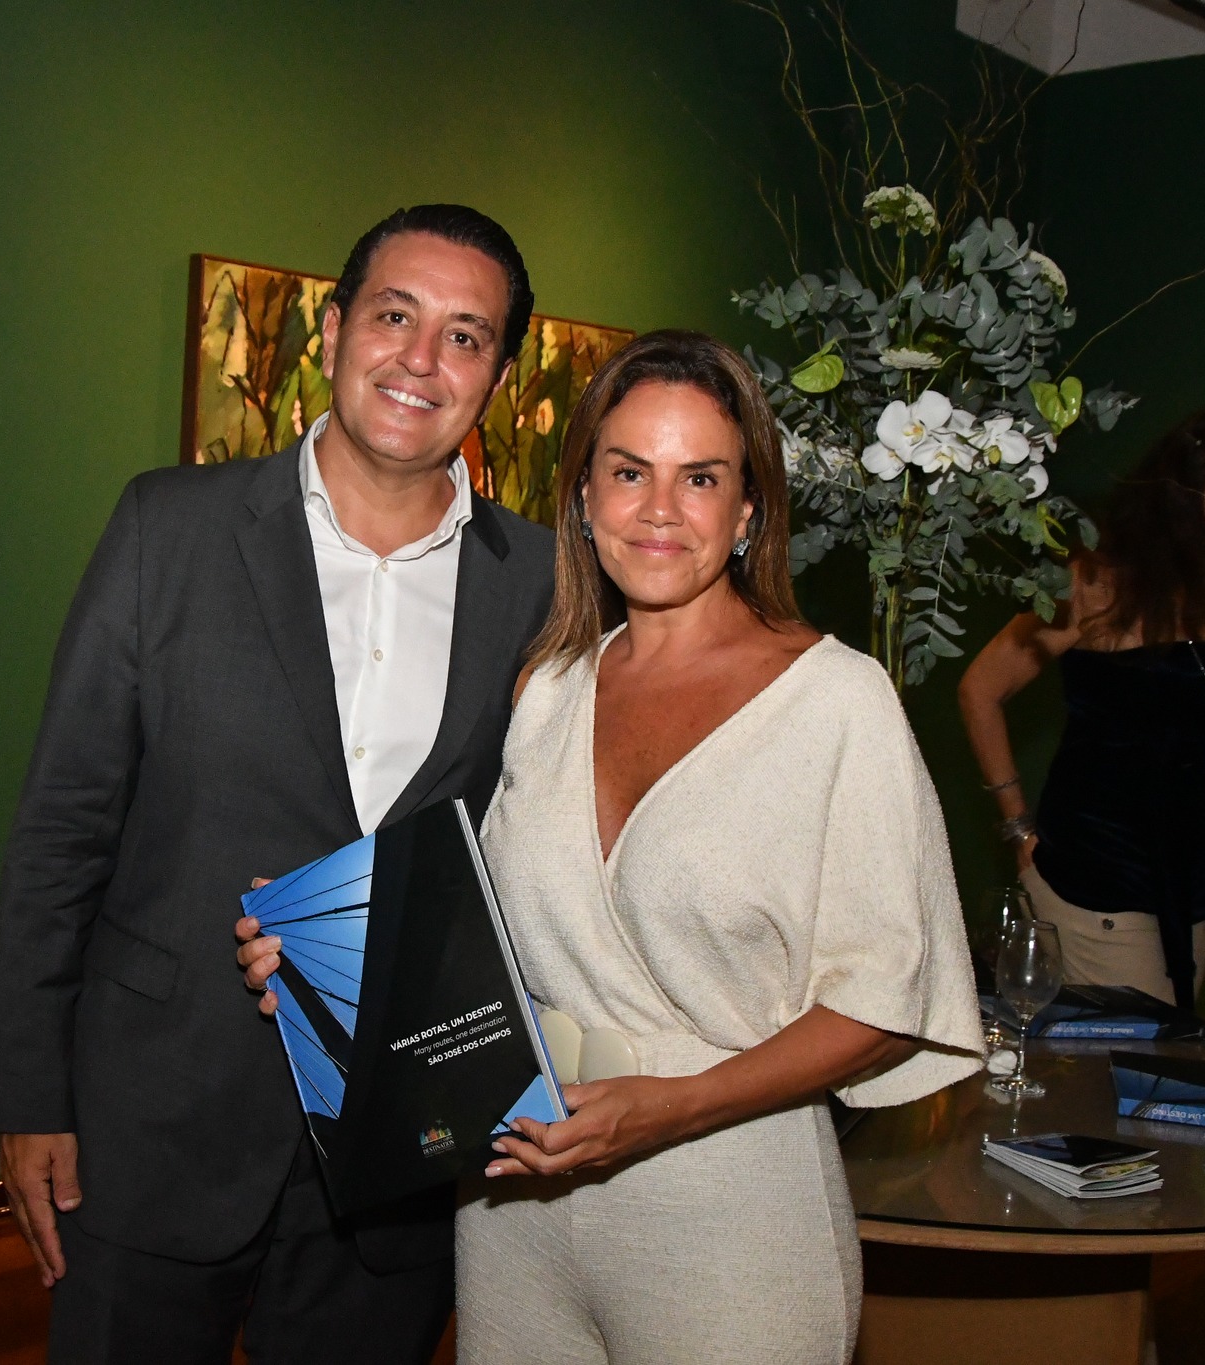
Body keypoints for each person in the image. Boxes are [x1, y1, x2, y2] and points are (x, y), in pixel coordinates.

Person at [0, 204, 555, 1364]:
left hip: (400, 1146)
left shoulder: (540, 583)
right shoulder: (167, 529)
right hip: (158, 1109)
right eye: (393, 316)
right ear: (331, 333)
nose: (419, 360)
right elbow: (62, 830)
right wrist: (29, 1095)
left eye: (464, 337)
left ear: (493, 378)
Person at [409, 330, 980, 1361]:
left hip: (729, 1207)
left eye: (701, 477)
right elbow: (478, 940)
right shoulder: (547, 692)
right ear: (584, 498)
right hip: (512, 1208)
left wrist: (672, 1109)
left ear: (749, 508)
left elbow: (885, 1005)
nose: (660, 510)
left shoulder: (835, 703)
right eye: (629, 472)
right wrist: (320, 945)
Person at [957, 406, 1205, 1011]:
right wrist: (1019, 832)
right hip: (1101, 888)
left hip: (1194, 893)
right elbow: (980, 689)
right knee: (1128, 1060)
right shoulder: (1096, 583)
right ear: (1203, 490)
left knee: (1163, 1054)